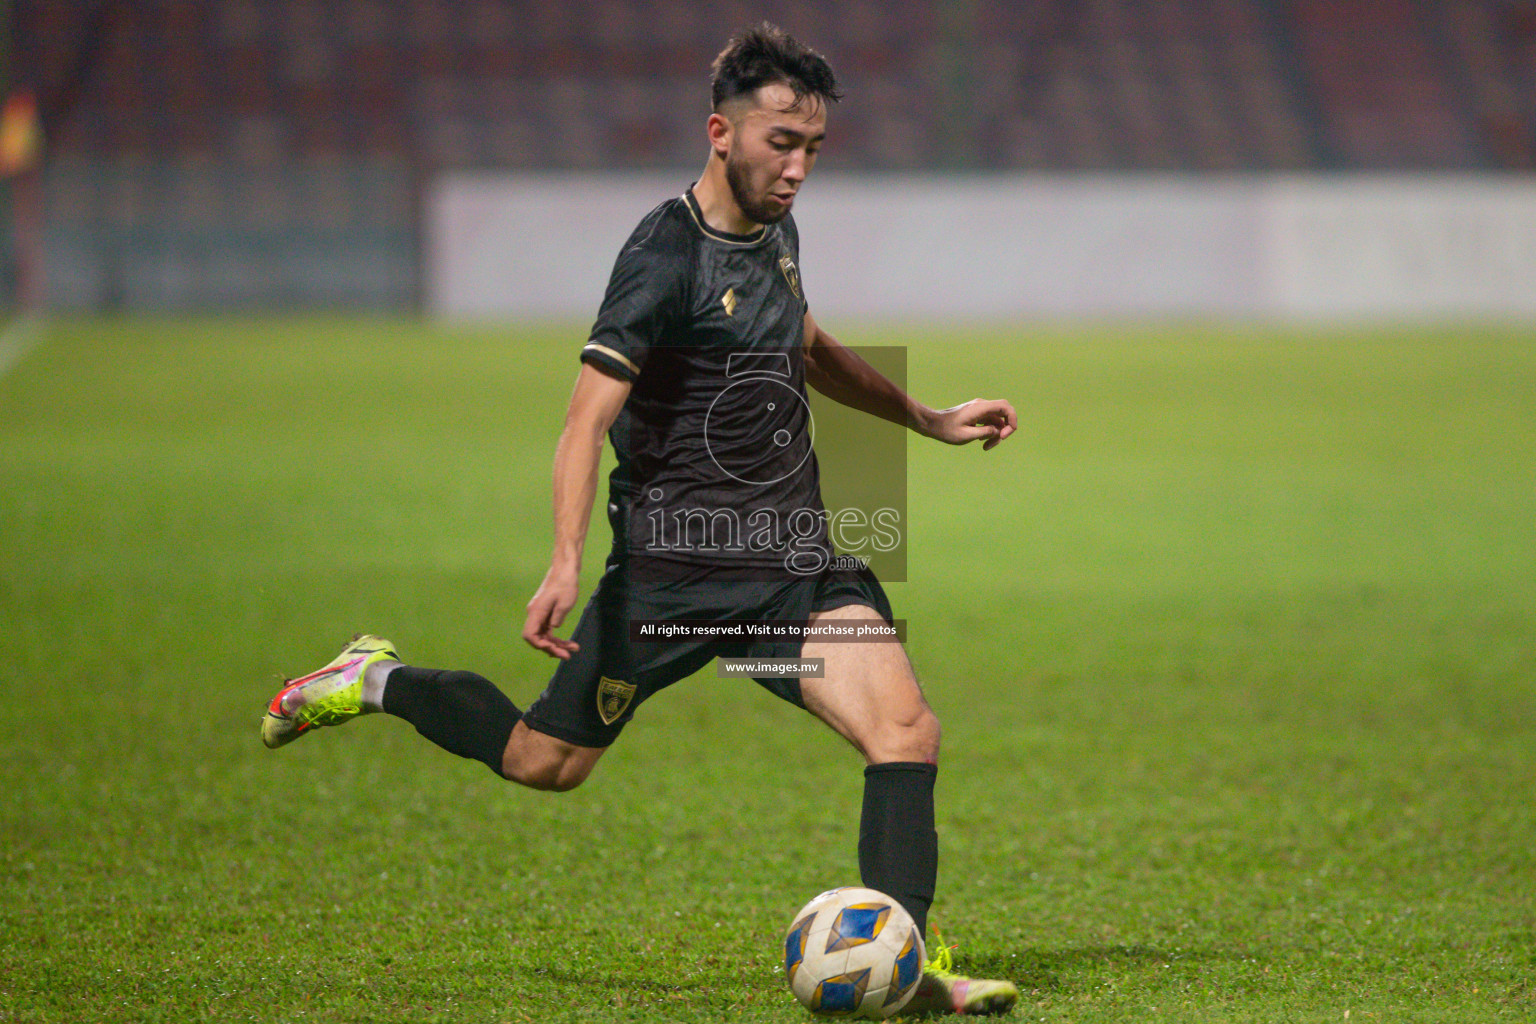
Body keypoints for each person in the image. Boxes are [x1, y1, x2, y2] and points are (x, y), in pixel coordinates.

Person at [261, 23, 1019, 1016]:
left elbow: (804, 340)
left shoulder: (774, 230)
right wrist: (567, 556)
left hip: (790, 560)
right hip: (672, 576)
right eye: (780, 143)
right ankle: (374, 677)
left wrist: (923, 418)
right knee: (546, 762)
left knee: (907, 732)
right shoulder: (662, 257)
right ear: (720, 132)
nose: (797, 168)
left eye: (813, 148)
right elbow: (586, 418)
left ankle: (903, 960)